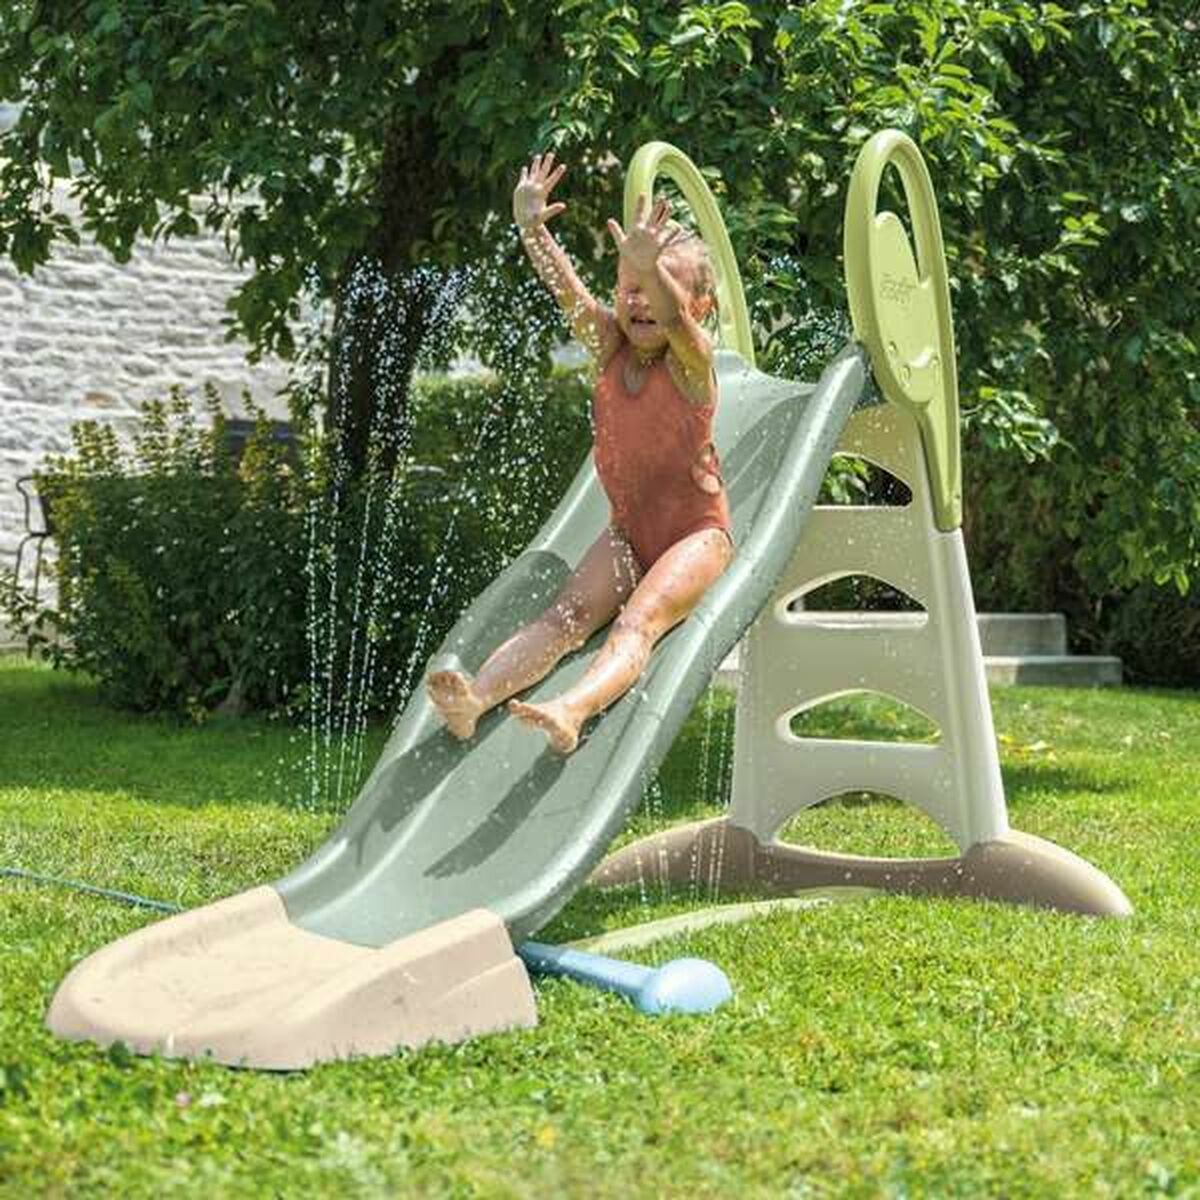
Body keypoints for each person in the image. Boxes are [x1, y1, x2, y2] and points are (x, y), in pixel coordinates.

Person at [426, 151, 733, 754]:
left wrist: (652, 270)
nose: (641, 300)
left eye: (657, 287)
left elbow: (676, 324)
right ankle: (475, 700)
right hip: (628, 536)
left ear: (699, 308)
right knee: (563, 617)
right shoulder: (611, 347)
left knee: (638, 620)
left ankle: (572, 709)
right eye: (630, 287)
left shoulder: (692, 367)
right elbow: (566, 290)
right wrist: (531, 229)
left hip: (696, 538)